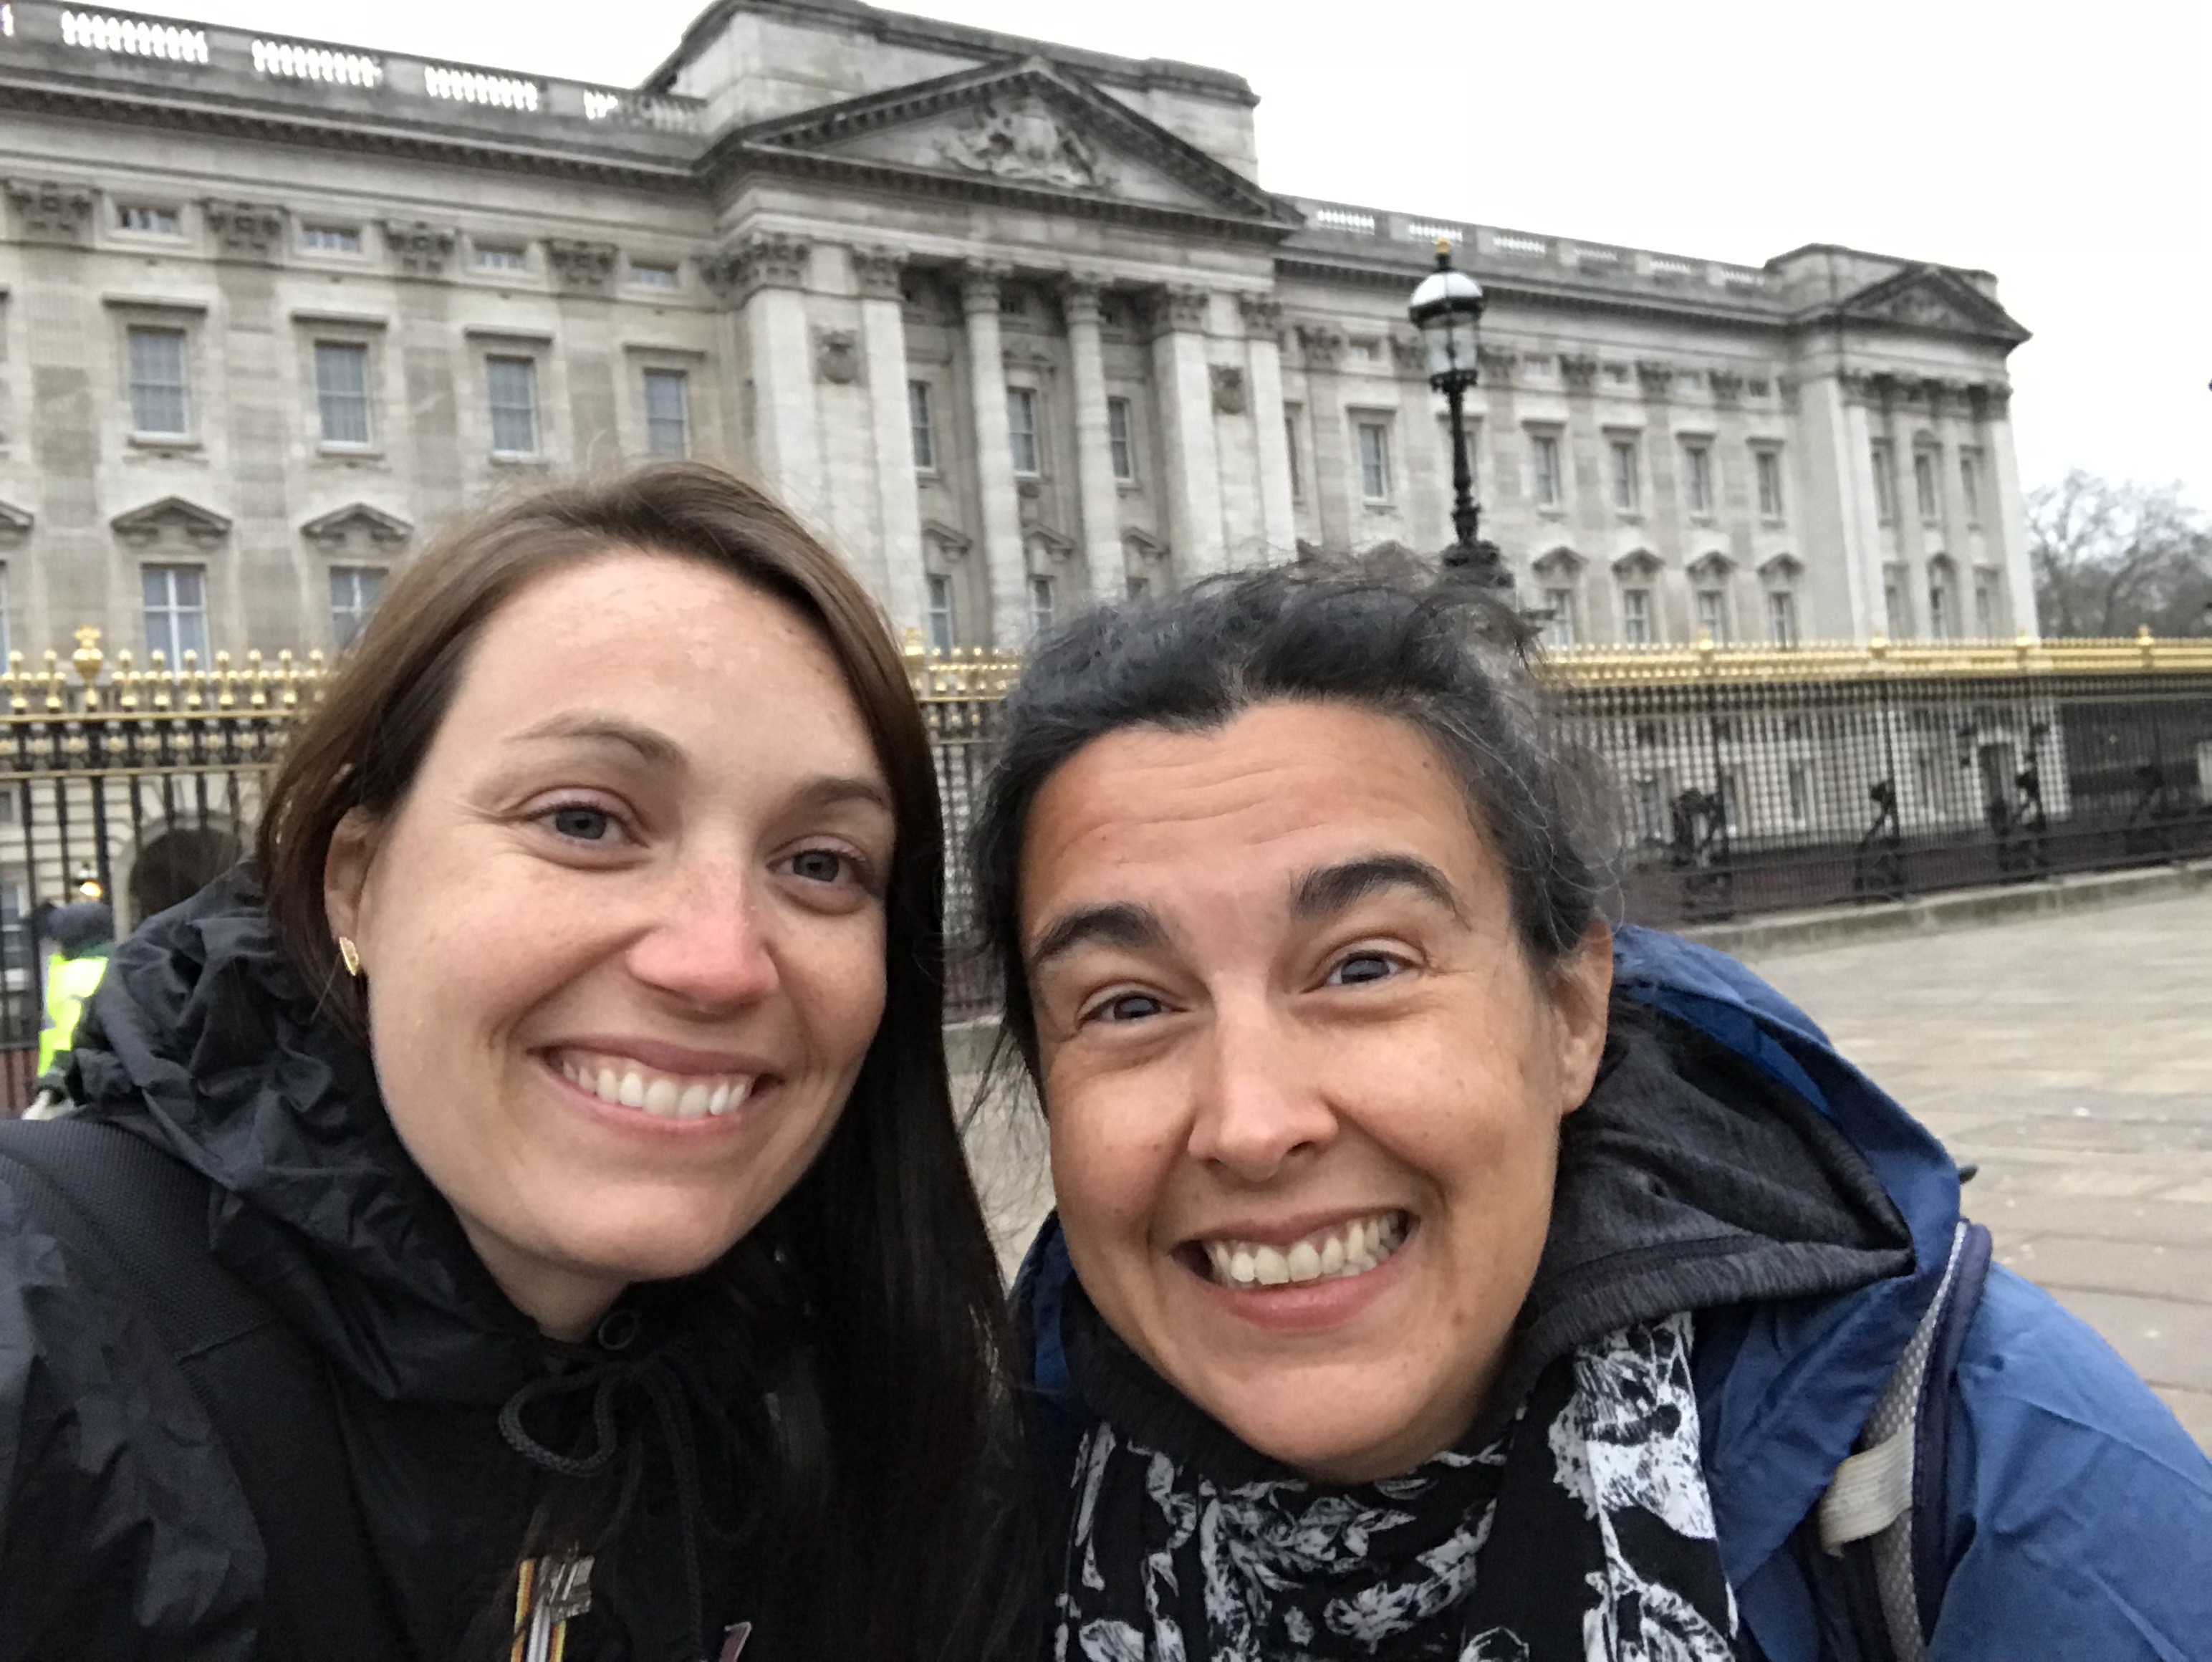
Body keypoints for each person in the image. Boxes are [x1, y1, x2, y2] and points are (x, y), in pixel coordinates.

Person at [974, 564, 2212, 1661]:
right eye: (1129, 1004)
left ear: (1570, 1012)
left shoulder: (2001, 1471)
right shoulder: (974, 1498)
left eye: (1362, 968)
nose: (1250, 1124)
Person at [0, 463, 1021, 1661]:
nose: (719, 963)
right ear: (354, 881)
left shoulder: (864, 1418)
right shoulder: (37, 1325)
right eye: (583, 821)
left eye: (820, 863)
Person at [27, 898, 115, 1115]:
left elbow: (72, 1034)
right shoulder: (118, 963)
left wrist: (52, 1083)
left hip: (74, 1084)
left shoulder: (75, 975)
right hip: (108, 1078)